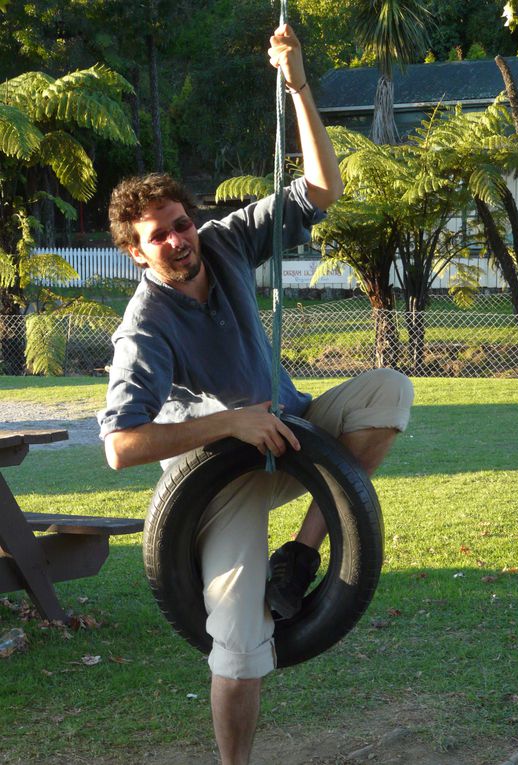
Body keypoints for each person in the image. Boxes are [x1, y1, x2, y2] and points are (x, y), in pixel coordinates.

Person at [98, 24, 414, 765]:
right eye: (160, 236)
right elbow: (119, 445)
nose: (179, 239)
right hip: (221, 479)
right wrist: (229, 421)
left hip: (295, 435)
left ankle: (298, 556)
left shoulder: (229, 241)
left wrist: (300, 84)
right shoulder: (144, 324)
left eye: (181, 223)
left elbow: (322, 188)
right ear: (136, 251)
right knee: (238, 648)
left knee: (389, 392)